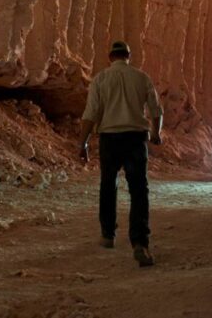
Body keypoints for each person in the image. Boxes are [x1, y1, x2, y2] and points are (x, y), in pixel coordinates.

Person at [78, 40, 163, 267]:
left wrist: (82, 143)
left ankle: (108, 235)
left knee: (108, 184)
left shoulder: (100, 79)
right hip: (135, 138)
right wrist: (156, 133)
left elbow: (91, 113)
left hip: (110, 138)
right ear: (128, 56)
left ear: (110, 57)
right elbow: (156, 109)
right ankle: (139, 242)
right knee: (138, 189)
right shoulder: (141, 77)